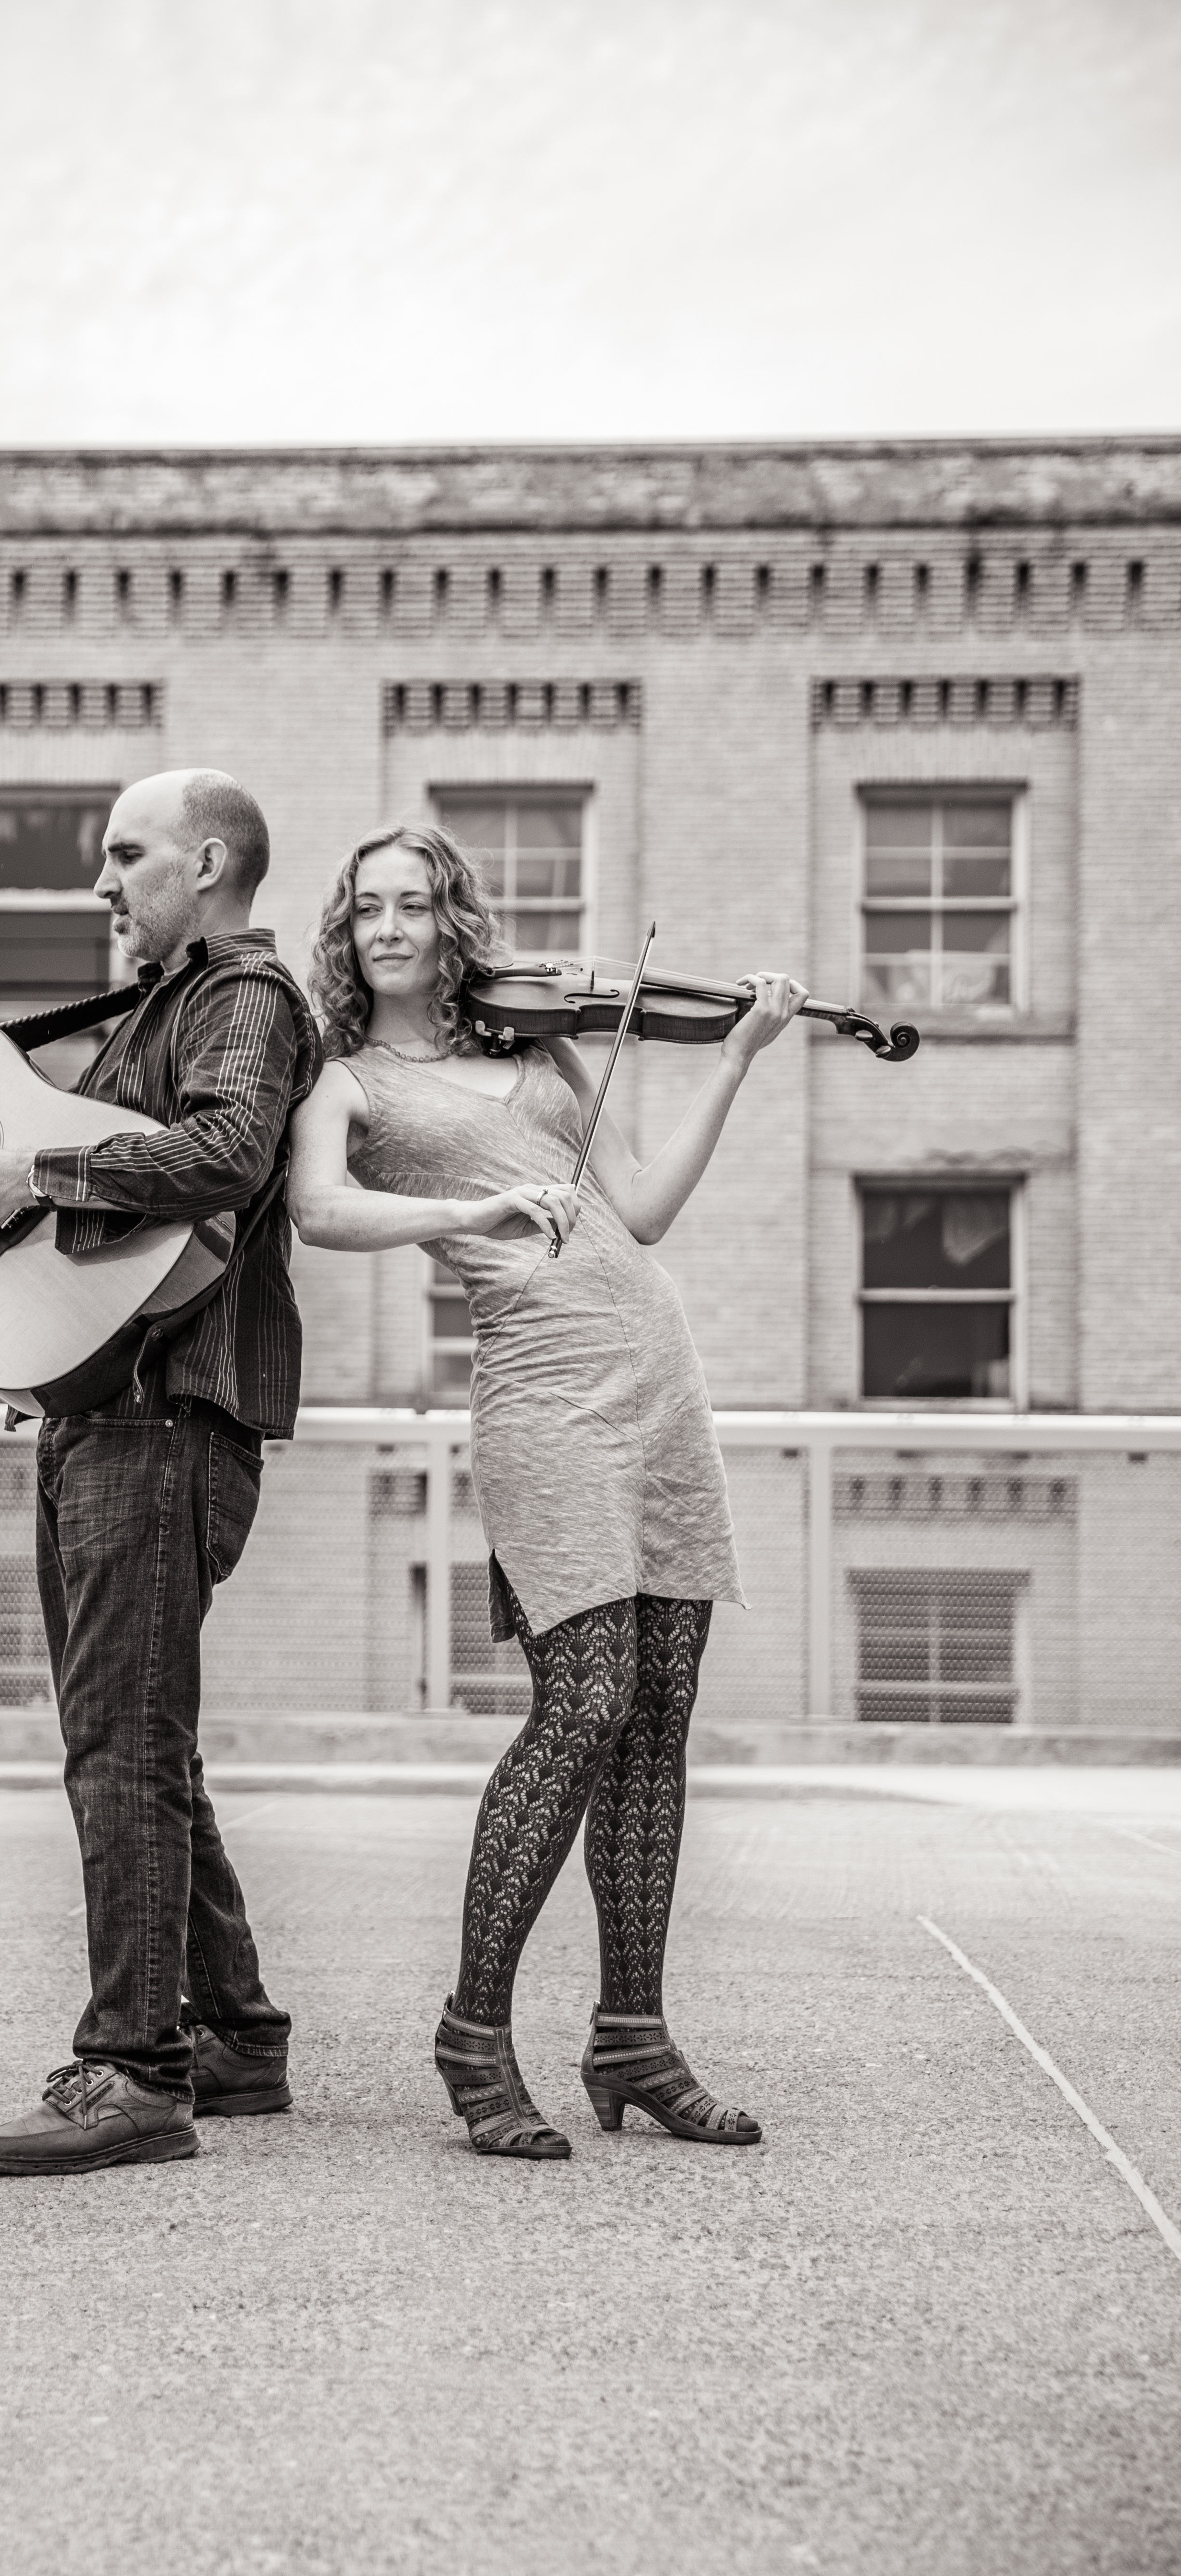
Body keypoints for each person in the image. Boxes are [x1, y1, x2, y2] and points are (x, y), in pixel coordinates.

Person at [0, 770, 321, 2175]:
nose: (100, 883)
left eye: (125, 854)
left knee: (121, 1744)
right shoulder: (148, 1012)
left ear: (206, 862)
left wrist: (32, 1182)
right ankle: (234, 2035)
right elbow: (35, 1200)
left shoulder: (244, 999)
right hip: (105, 1408)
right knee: (139, 1734)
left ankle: (134, 2071)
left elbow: (222, 1153)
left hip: (168, 1416)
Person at [289, 821, 806, 2160]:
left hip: (656, 1381)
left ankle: (634, 2037)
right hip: (542, 1400)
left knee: (660, 1712)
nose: (390, 928)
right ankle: (475, 2030)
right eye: (367, 912)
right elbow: (320, 1212)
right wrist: (464, 1216)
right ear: (345, 939)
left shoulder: (546, 1047)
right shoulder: (345, 1081)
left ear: (453, 919)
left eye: (415, 904)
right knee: (584, 1703)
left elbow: (641, 1210)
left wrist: (738, 1058)